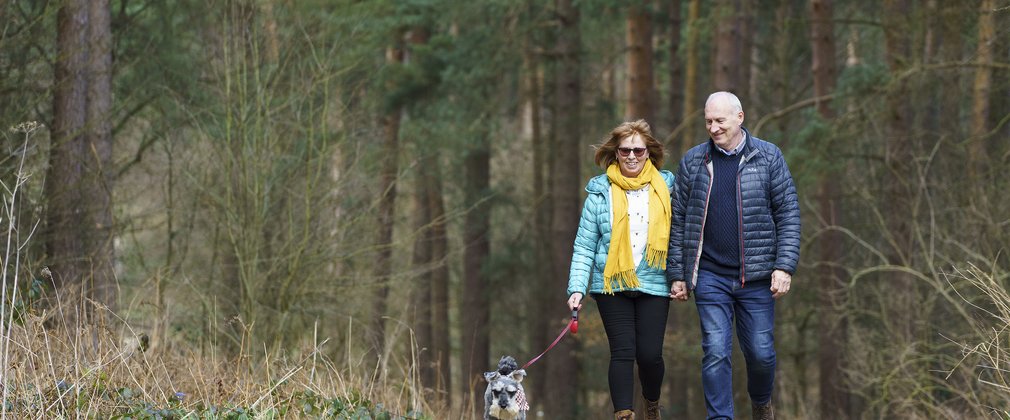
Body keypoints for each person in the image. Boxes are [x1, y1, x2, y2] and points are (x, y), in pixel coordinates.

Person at [667, 92, 800, 420]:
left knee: (761, 354)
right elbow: (678, 219)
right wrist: (678, 274)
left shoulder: (768, 157)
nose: (713, 128)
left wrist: (784, 266)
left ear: (739, 118)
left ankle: (761, 403)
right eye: (708, 121)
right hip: (710, 275)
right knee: (715, 352)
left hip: (756, 277)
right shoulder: (693, 161)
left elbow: (788, 213)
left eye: (720, 121)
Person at [566, 120, 675, 420]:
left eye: (638, 151)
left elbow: (680, 238)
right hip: (610, 284)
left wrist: (681, 278)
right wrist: (577, 287)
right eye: (624, 150)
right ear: (615, 153)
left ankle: (651, 404)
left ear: (649, 153)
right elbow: (585, 245)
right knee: (623, 352)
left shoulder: (667, 188)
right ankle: (623, 414)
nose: (631, 156)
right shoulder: (599, 193)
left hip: (655, 282)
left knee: (650, 356)